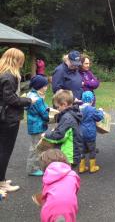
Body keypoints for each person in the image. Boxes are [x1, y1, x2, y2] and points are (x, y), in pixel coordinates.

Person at [0, 48, 38, 192]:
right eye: (21, 60)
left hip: (3, 116)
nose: (22, 63)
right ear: (16, 60)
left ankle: (1, 179)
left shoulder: (2, 73)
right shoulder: (9, 76)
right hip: (8, 118)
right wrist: (29, 100)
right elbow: (10, 99)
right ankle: (2, 183)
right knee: (5, 150)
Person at [36, 149, 80, 222]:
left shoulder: (47, 177)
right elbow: (75, 190)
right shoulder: (73, 175)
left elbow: (44, 195)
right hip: (68, 208)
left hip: (49, 210)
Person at [43, 90, 83, 167]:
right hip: (73, 153)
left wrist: (46, 135)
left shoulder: (67, 118)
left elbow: (60, 136)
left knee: (67, 177)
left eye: (58, 107)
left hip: (69, 155)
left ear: (64, 104)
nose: (57, 109)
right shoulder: (72, 113)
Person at [26, 75, 50, 176]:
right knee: (36, 148)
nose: (46, 87)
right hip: (38, 126)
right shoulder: (38, 100)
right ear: (40, 86)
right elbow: (44, 114)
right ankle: (32, 169)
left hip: (32, 124)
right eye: (45, 85)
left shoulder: (30, 94)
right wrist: (51, 115)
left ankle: (36, 166)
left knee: (35, 147)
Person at [78, 91, 104, 174]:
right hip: (90, 133)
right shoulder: (92, 109)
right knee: (92, 150)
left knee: (81, 149)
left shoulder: (78, 108)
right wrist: (100, 111)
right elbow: (99, 117)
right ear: (92, 100)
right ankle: (92, 167)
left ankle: (81, 167)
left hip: (80, 132)